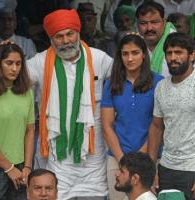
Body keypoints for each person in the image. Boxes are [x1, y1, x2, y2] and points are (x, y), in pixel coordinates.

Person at [26, 9, 113, 200]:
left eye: (70, 34)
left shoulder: (99, 58)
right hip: (58, 160)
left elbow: (128, 75)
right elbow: (11, 78)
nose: (66, 41)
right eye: (59, 36)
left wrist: (135, 42)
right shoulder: (39, 62)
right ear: (51, 39)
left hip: (93, 160)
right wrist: (1, 54)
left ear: (78, 33)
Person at [101, 34, 163, 200]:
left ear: (144, 54)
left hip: (150, 157)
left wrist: (137, 160)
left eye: (135, 53)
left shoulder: (159, 82)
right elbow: (107, 125)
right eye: (125, 53)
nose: (129, 58)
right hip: (117, 158)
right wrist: (123, 161)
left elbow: (158, 125)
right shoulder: (111, 83)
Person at [147, 32, 195, 200]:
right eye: (169, 53)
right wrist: (152, 168)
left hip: (192, 168)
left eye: (179, 52)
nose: (173, 57)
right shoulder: (161, 86)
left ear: (192, 54)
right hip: (166, 168)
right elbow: (156, 127)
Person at [0, 43, 35, 199]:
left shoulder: (27, 92)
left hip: (20, 167)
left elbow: (30, 130)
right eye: (9, 63)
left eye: (18, 64)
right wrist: (8, 168)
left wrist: (27, 166)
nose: (14, 69)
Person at [136, 1, 176, 77]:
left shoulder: (178, 44)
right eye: (143, 23)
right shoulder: (134, 44)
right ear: (137, 24)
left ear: (164, 23)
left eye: (154, 22)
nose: (149, 28)